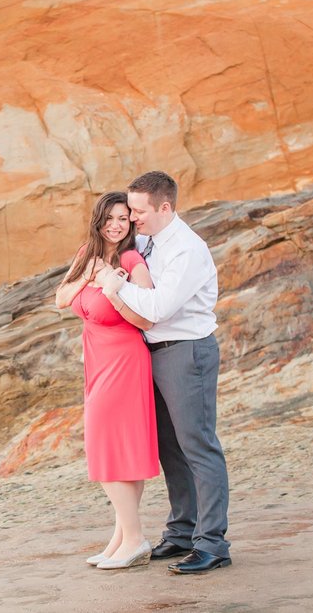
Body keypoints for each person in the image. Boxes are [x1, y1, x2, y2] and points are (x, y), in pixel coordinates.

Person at [98, 171, 231, 574]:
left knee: (198, 446)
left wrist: (113, 287)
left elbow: (157, 309)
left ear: (164, 207)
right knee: (170, 449)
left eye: (138, 211)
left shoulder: (187, 250)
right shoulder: (148, 241)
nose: (132, 218)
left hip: (186, 352)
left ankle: (212, 544)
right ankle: (180, 532)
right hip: (150, 354)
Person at [55, 191, 159, 570]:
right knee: (119, 449)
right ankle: (119, 539)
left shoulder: (132, 260)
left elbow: (147, 317)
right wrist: (92, 274)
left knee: (107, 447)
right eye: (110, 218)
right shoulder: (88, 254)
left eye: (123, 218)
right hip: (98, 360)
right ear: (98, 220)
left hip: (124, 360)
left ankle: (134, 538)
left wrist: (114, 293)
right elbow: (61, 298)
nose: (116, 225)